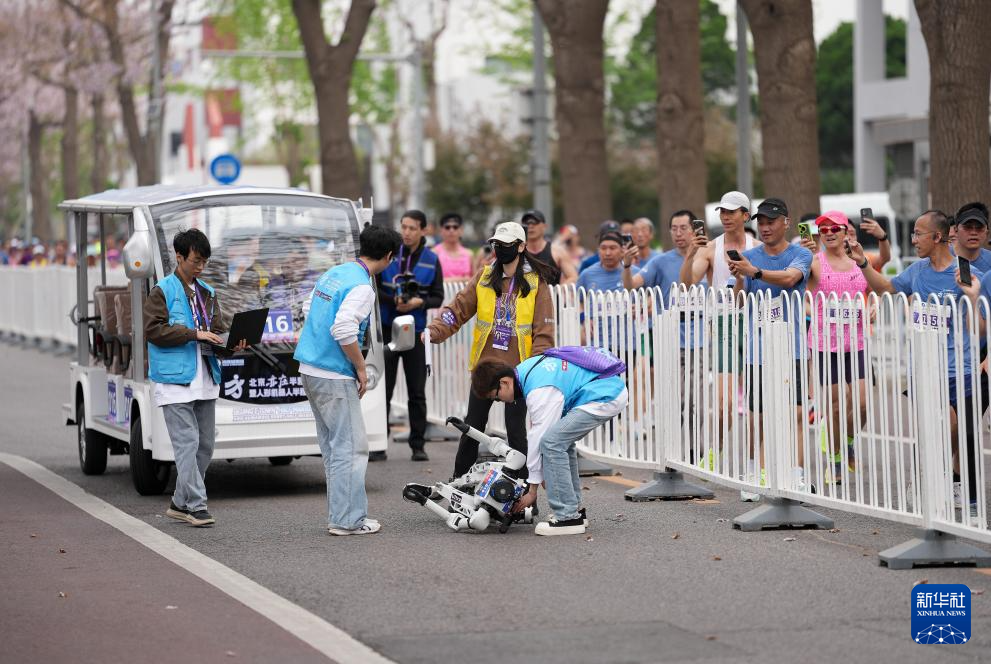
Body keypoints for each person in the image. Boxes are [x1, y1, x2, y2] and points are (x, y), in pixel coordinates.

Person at [846, 210, 988, 518]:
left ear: (937, 237)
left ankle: (953, 485)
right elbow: (886, 289)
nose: (913, 240)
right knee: (936, 425)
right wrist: (862, 264)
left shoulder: (965, 273)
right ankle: (928, 478)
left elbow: (979, 330)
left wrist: (973, 297)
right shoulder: (917, 271)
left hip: (961, 369)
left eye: (918, 234)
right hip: (924, 367)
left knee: (961, 432)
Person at [426, 221, 556, 479]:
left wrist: (534, 371)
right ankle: (459, 480)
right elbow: (457, 310)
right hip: (485, 367)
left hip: (518, 372)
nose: (500, 249)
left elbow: (544, 331)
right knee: (472, 426)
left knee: (516, 431)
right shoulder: (484, 277)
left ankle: (521, 486)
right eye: (497, 244)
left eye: (506, 245)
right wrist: (435, 330)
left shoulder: (536, 283)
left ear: (521, 247)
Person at [295, 225, 401, 535]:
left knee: (334, 449)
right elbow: (343, 328)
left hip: (309, 368)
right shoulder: (363, 287)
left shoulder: (335, 272)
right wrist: (360, 367)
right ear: (389, 256)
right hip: (334, 373)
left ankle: (341, 515)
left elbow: (307, 308)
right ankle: (348, 520)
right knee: (351, 449)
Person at [145, 229, 247, 528]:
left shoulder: (208, 292)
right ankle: (196, 506)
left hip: (205, 377)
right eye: (196, 261)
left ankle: (180, 502)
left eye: (204, 262)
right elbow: (154, 330)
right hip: (174, 380)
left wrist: (232, 344)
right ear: (179, 257)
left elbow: (216, 333)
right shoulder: (162, 291)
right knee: (187, 444)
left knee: (205, 446)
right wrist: (194, 334)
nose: (201, 267)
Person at [470, 349, 629, 535]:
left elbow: (538, 438)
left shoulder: (539, 390)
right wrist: (545, 474)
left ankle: (567, 517)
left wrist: (532, 490)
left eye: (496, 397)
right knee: (561, 442)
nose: (499, 401)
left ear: (504, 382)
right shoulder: (525, 371)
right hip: (606, 388)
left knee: (552, 443)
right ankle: (574, 509)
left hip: (604, 395)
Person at [729, 198, 814, 499]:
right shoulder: (749, 256)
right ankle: (756, 472)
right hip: (759, 349)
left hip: (793, 348)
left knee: (798, 413)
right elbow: (739, 302)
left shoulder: (801, 254)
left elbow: (790, 279)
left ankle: (797, 475)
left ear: (786, 222)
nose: (765, 228)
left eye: (771, 222)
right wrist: (740, 278)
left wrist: (754, 272)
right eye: (761, 223)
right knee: (758, 417)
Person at [798, 210, 871, 484]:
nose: (828, 233)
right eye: (823, 230)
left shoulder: (858, 260)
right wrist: (803, 257)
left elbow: (872, 289)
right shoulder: (815, 262)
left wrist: (873, 306)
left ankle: (848, 441)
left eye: (834, 229)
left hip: (856, 343)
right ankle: (836, 459)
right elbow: (798, 282)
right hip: (824, 345)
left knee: (862, 405)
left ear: (845, 232)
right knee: (837, 406)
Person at [680, 191, 760, 434]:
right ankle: (717, 450)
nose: (725, 217)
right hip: (723, 324)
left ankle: (754, 454)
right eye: (722, 212)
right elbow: (687, 284)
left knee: (757, 403)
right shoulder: (710, 248)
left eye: (731, 212)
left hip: (754, 323)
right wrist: (690, 254)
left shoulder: (758, 248)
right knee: (725, 403)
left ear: (745, 215)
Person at [378, 210, 445, 461]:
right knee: (384, 388)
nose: (406, 232)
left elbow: (438, 296)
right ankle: (378, 443)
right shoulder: (388, 252)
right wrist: (393, 300)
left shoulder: (432, 259)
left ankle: (418, 445)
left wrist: (419, 302)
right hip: (388, 328)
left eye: (412, 228)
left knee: (417, 391)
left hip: (416, 332)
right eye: (403, 227)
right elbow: (374, 288)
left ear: (423, 230)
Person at [521, 209, 577, 285]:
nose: (530, 226)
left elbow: (573, 277)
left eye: (534, 222)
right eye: (526, 223)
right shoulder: (517, 251)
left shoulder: (558, 251)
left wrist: (557, 289)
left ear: (545, 226)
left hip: (552, 292)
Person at [951, 203, 991, 272]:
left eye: (979, 227)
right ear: (956, 230)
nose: (973, 232)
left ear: (987, 233)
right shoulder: (939, 259)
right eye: (967, 227)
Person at [435, 212, 475, 281]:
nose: (451, 230)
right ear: (441, 231)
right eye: (447, 227)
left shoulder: (469, 254)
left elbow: (475, 280)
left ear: (461, 230)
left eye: (455, 227)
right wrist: (460, 279)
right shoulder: (434, 253)